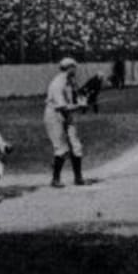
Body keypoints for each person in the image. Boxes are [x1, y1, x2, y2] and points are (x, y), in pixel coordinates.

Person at [44, 58, 84, 187]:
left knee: (76, 146)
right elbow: (62, 107)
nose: (75, 70)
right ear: (69, 68)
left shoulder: (70, 81)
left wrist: (80, 101)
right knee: (61, 148)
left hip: (66, 114)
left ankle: (78, 178)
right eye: (74, 67)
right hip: (54, 116)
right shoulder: (57, 83)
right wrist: (79, 106)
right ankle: (55, 179)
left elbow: (74, 97)